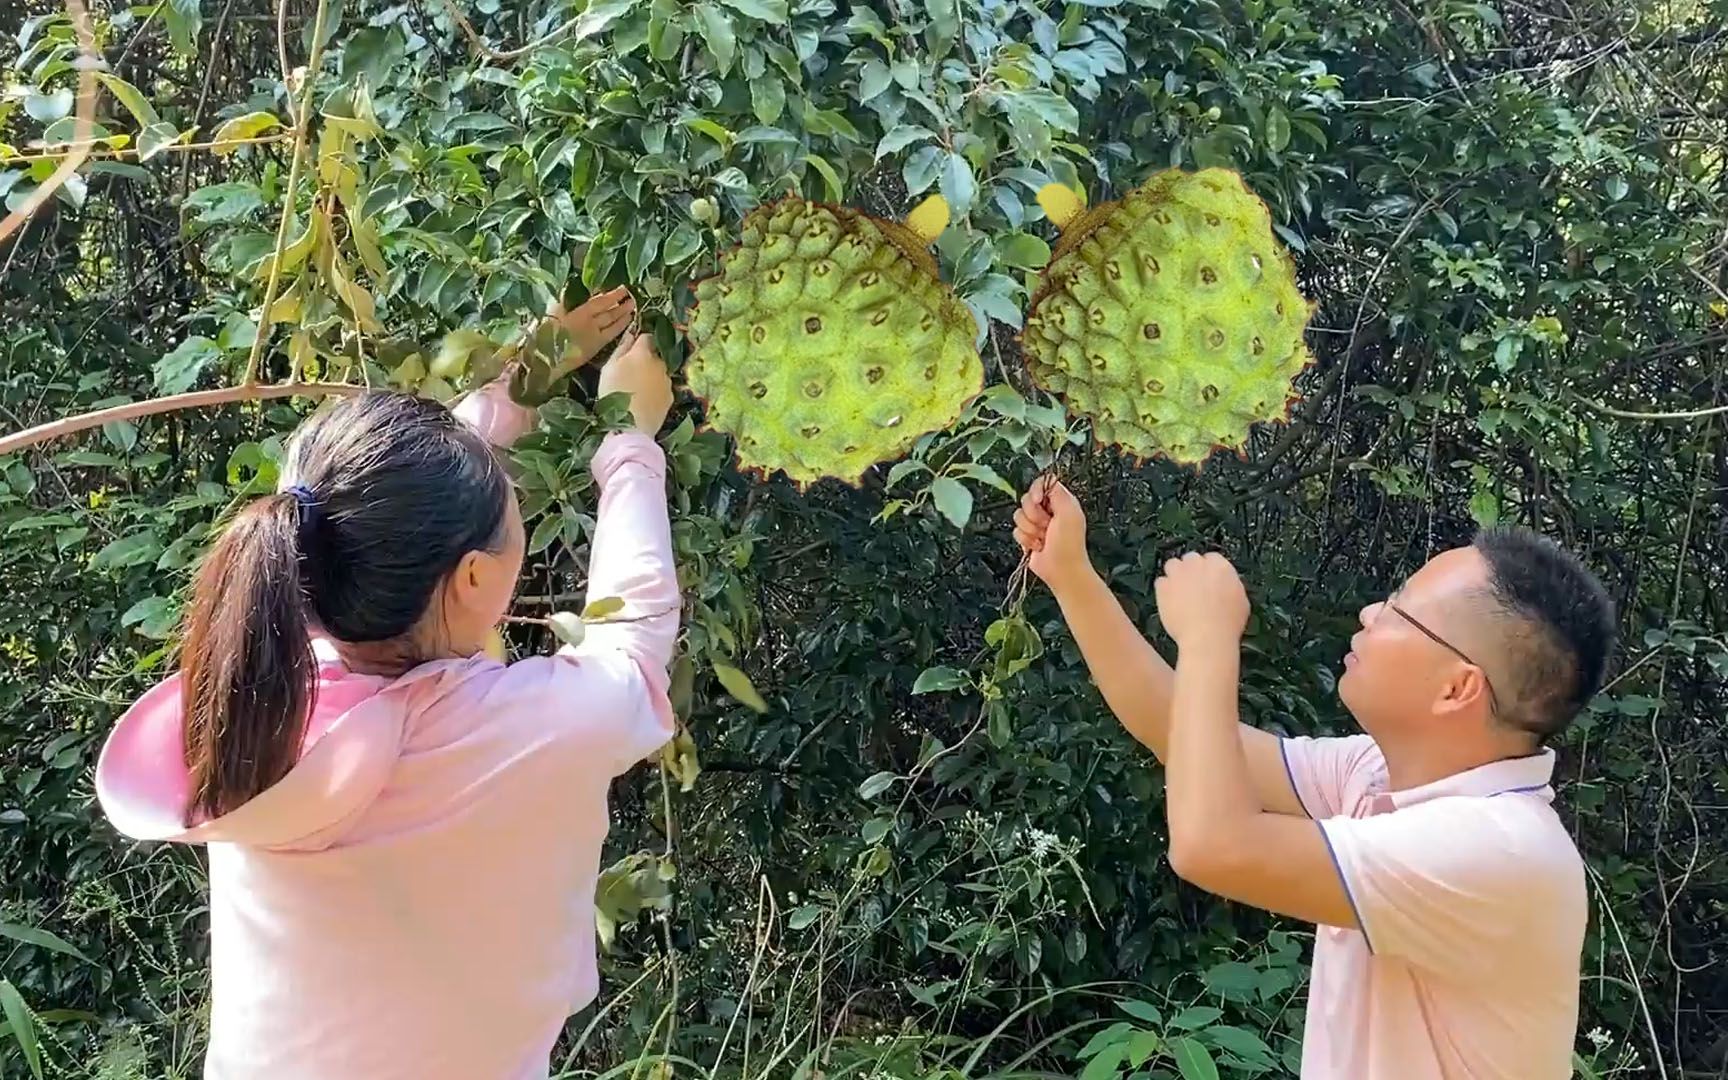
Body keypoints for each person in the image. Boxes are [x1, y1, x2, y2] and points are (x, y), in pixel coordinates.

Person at [96, 287, 679, 1080]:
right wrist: (628, 441)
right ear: (474, 578)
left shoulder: (266, 693)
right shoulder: (509, 734)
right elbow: (634, 645)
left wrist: (531, 374)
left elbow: (373, 512)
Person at [1011, 477, 1616, 1079]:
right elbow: (1178, 731)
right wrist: (1072, 576)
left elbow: (1212, 845)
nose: (1372, 613)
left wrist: (1209, 640)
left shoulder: (1498, 848)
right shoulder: (1377, 774)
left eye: (1400, 609)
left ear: (1457, 688)